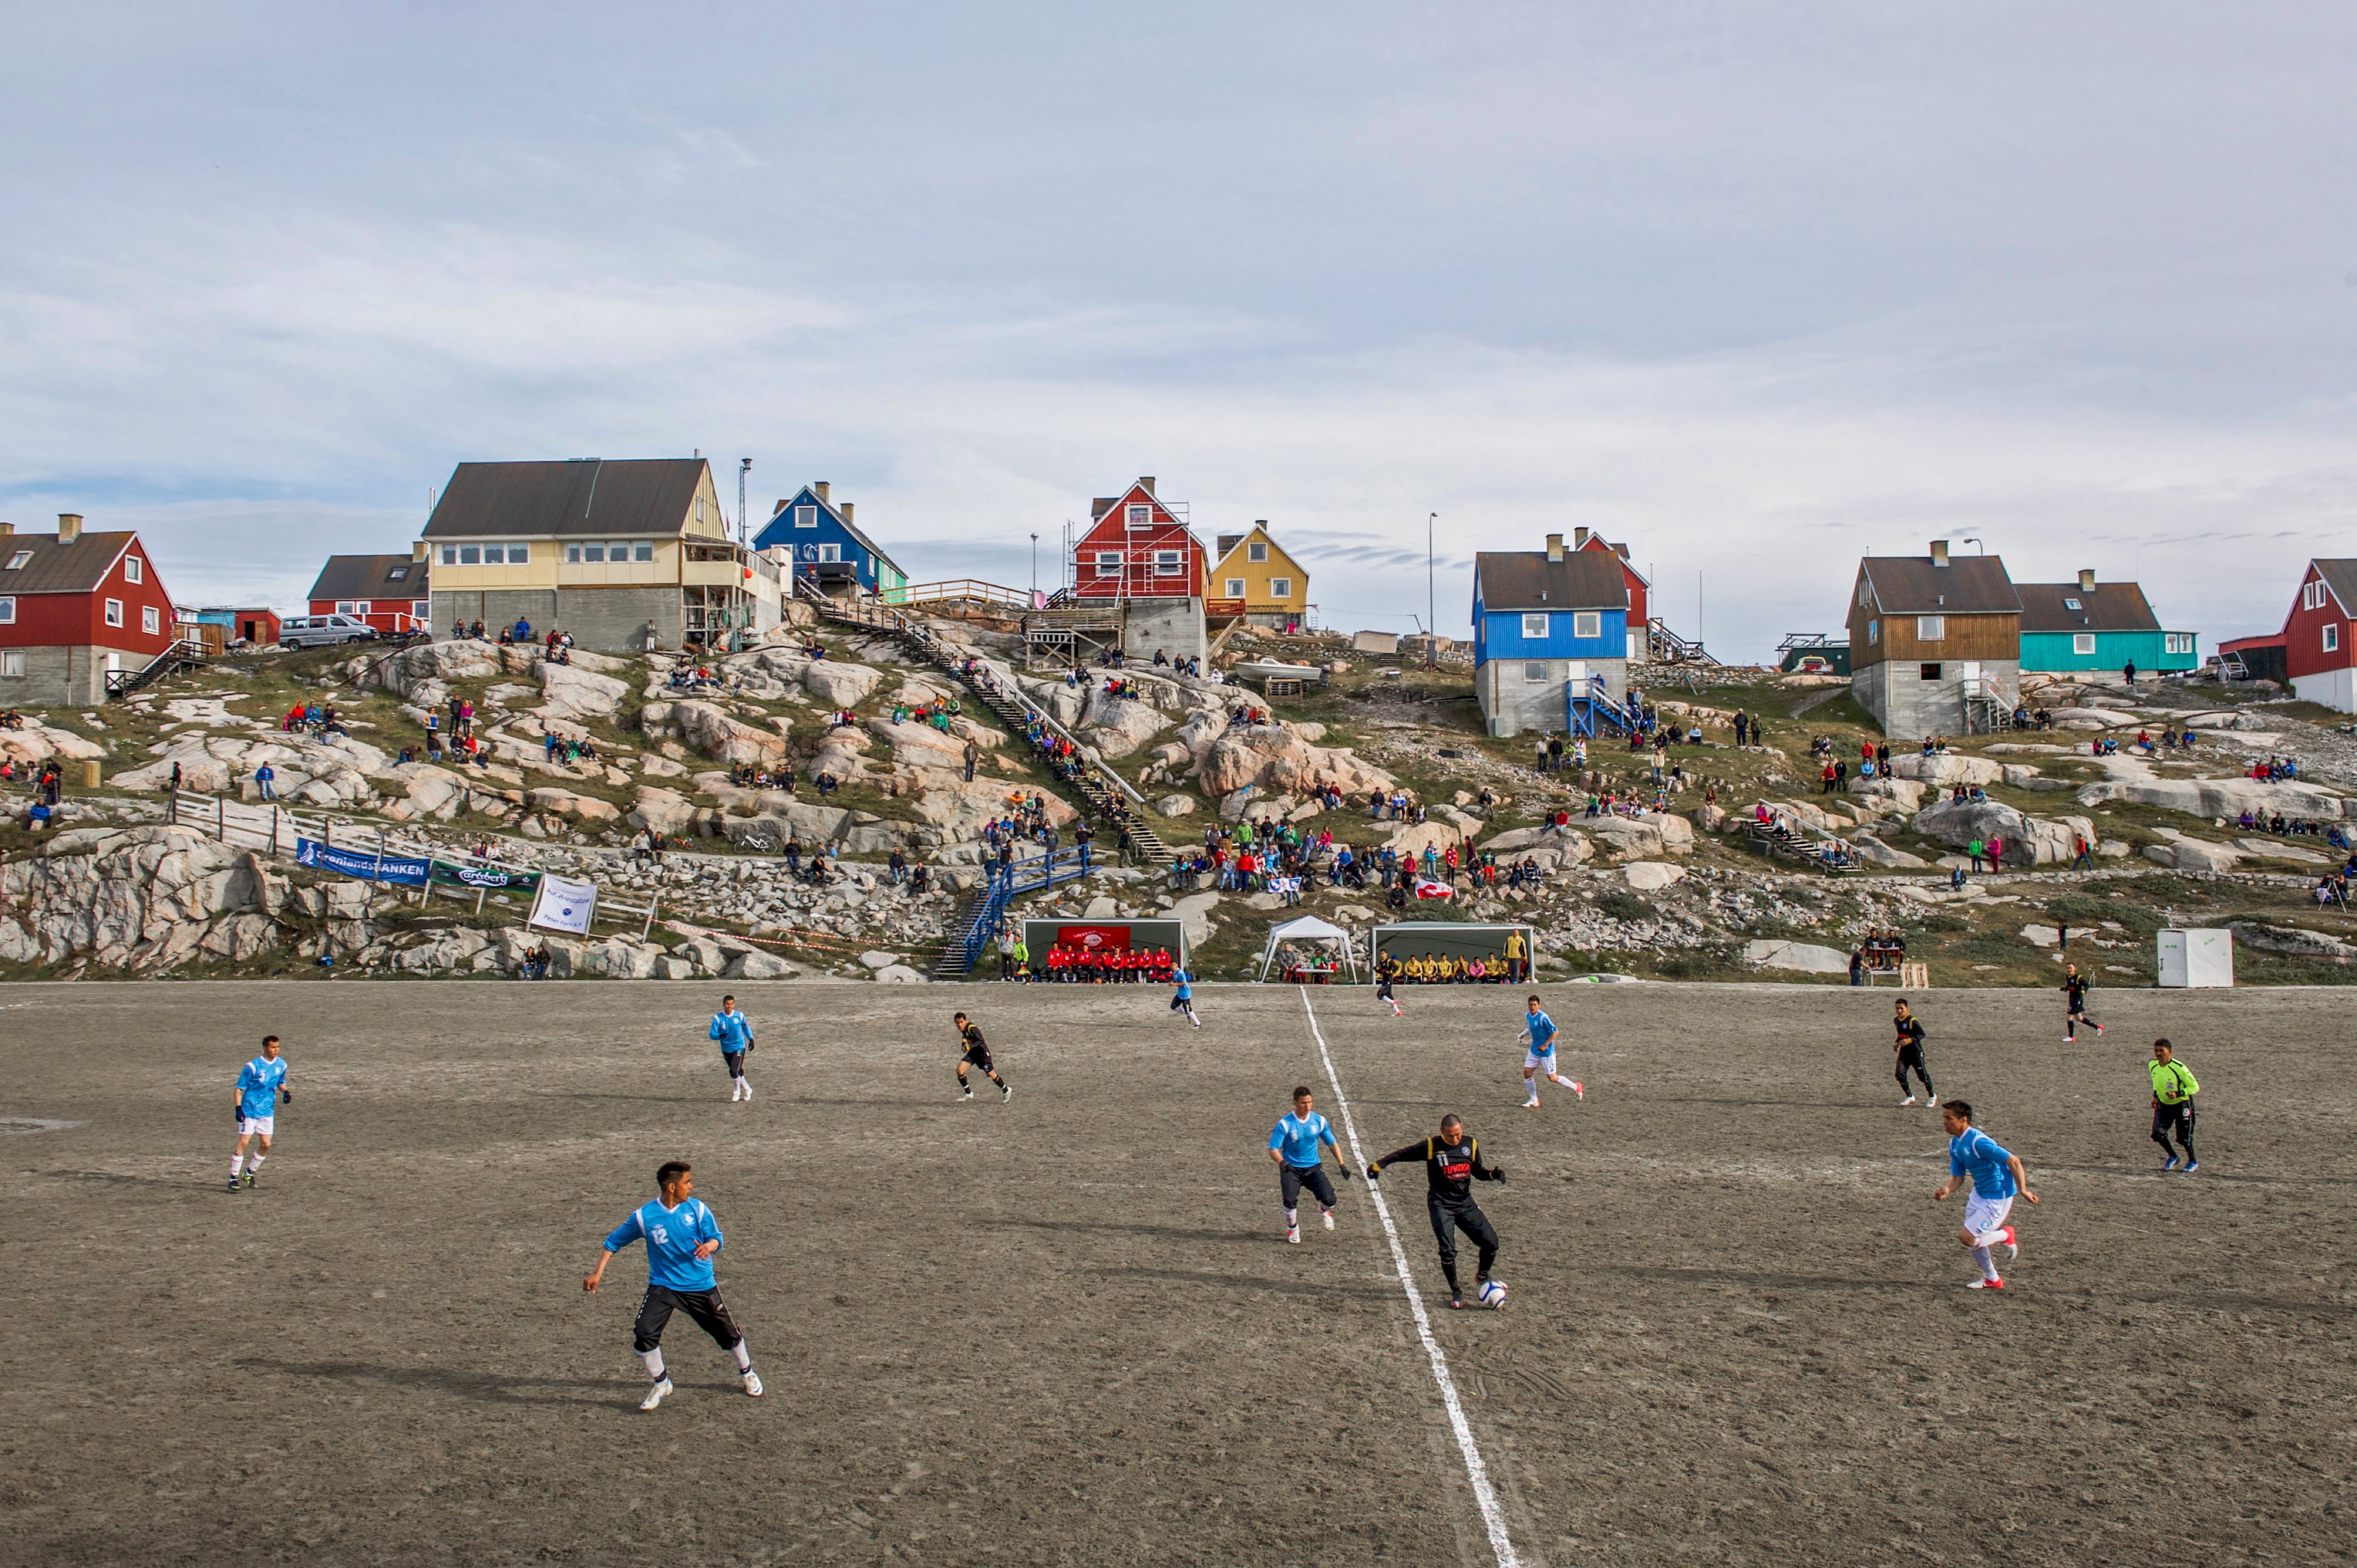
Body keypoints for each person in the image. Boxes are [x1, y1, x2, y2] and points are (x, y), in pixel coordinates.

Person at [583, 1161, 761, 1410]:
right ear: (671, 1187)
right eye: (687, 1182)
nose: (691, 1186)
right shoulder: (644, 1217)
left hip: (700, 1286)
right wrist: (596, 1275)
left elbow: (717, 1239)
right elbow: (612, 1243)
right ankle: (661, 1383)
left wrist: (708, 1247)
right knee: (644, 1334)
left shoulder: (698, 1210)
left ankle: (747, 1372)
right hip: (664, 1286)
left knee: (728, 1334)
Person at [1367, 1114, 1506, 1311]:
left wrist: (1493, 1174)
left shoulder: (1471, 1144)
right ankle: (1456, 1290)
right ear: (1442, 1134)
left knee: (1492, 1243)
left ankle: (1482, 1275)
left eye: (1458, 1135)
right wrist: (1380, 1164)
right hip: (1441, 1206)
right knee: (1448, 1251)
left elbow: (1477, 1171)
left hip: (1465, 1204)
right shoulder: (1432, 1147)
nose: (1455, 1140)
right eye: (1450, 1136)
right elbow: (1403, 1154)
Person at [1932, 1100, 2038, 1290]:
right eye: (1944, 1119)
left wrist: (2023, 1190)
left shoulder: (1978, 1142)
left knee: (1967, 1238)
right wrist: (1947, 1191)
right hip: (1979, 1193)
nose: (1945, 1123)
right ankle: (1993, 1280)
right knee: (1973, 1242)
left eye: (1950, 1119)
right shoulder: (1955, 1144)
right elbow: (1958, 1176)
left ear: (1964, 1120)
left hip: (1998, 1197)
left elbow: (2013, 1161)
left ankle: (2006, 1235)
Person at [1268, 1086, 1352, 1243]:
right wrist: (1283, 1163)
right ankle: (1293, 1229)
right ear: (1295, 1103)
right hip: (1291, 1169)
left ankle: (1324, 1210)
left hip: (1313, 1168)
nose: (1307, 1106)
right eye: (1303, 1103)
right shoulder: (1285, 1124)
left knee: (1330, 1200)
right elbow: (1273, 1149)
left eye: (1310, 1102)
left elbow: (1332, 1143)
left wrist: (1342, 1165)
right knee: (1290, 1200)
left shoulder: (1319, 1121)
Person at [227, 1035, 290, 1191]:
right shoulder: (252, 1067)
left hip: (267, 1111)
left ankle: (249, 1173)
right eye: (272, 1047)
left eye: (278, 1047)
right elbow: (239, 1088)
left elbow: (280, 1082)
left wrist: (286, 1091)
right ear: (265, 1048)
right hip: (250, 1110)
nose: (276, 1050)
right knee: (244, 1142)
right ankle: (233, 1178)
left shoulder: (281, 1065)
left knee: (266, 1145)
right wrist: (238, 1107)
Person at [1517, 994, 1582, 1110]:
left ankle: (1576, 1087)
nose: (1532, 1007)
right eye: (1531, 1005)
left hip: (1546, 1052)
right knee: (1527, 1072)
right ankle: (1534, 1100)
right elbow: (1532, 1028)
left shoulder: (1543, 1018)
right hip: (1534, 1050)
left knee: (1552, 1078)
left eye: (1535, 1005)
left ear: (1539, 1006)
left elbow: (1555, 1032)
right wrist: (1523, 1034)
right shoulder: (1528, 1016)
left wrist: (1545, 1045)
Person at [2150, 1039, 2200, 1172]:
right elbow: (2156, 1081)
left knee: (2184, 1138)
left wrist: (2179, 1093)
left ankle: (2193, 1162)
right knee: (2157, 1134)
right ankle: (2173, 1156)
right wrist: (2155, 1096)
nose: (2158, 1054)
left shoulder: (2179, 1068)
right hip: (2164, 1104)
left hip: (2182, 1105)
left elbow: (2195, 1087)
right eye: (2156, 1051)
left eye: (2162, 1051)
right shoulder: (2153, 1065)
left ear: (2170, 1052)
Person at [953, 1012, 1010, 1101]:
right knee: (960, 1070)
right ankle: (968, 1093)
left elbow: (981, 1040)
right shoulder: (963, 1028)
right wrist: (964, 1043)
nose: (960, 1025)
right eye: (958, 1023)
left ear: (966, 1021)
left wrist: (968, 1046)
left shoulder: (972, 1028)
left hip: (983, 1054)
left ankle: (1006, 1090)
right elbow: (964, 1034)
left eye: (961, 1022)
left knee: (991, 1074)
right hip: (973, 1053)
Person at [708, 994, 755, 1102]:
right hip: (726, 1048)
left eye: (731, 1004)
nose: (729, 1006)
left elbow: (746, 1028)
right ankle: (748, 1089)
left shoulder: (740, 1016)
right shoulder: (718, 1018)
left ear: (734, 1005)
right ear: (724, 1005)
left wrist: (751, 1039)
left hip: (739, 1046)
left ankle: (736, 1092)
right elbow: (712, 1034)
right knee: (737, 1071)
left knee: (734, 1070)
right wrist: (719, 1036)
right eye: (727, 1004)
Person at [1893, 999, 1935, 1107]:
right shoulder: (1897, 1021)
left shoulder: (1912, 1021)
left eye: (1901, 1008)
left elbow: (1922, 1034)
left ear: (1907, 1009)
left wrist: (1909, 1040)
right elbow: (1901, 1035)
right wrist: (1897, 1042)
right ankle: (1909, 1096)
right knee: (1899, 1074)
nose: (1899, 1011)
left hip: (1915, 1052)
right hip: (1904, 1052)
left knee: (1923, 1076)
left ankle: (1932, 1096)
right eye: (1897, 1008)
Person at [2059, 964, 2103, 1043]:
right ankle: (2098, 1028)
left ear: (2075, 969)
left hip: (2077, 1000)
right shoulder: (2068, 977)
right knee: (2079, 1018)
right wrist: (2064, 989)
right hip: (2072, 999)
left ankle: (2071, 1037)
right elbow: (2070, 987)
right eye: (2068, 968)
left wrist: (2084, 991)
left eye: (2071, 968)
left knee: (2069, 1016)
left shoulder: (2078, 978)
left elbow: (2087, 985)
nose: (2069, 970)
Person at [1169, 964, 1201, 1028]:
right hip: (1180, 994)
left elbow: (1184, 983)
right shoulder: (1175, 973)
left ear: (1177, 965)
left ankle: (1198, 1024)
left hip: (1185, 994)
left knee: (1189, 1010)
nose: (1173, 967)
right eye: (1172, 965)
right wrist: (1172, 982)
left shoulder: (1181, 973)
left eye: (1174, 965)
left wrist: (1174, 985)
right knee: (1173, 1006)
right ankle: (1186, 1013)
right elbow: (1176, 979)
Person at [1376, 951, 1402, 1017]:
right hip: (1385, 980)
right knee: (1389, 996)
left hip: (1389, 980)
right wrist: (1377, 970)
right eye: (1381, 954)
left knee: (1380, 994)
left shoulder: (1389, 961)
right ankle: (1398, 1011)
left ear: (1386, 954)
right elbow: (1382, 972)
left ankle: (1393, 1002)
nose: (1382, 955)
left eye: (1383, 954)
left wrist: (1390, 972)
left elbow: (1396, 967)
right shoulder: (1381, 962)